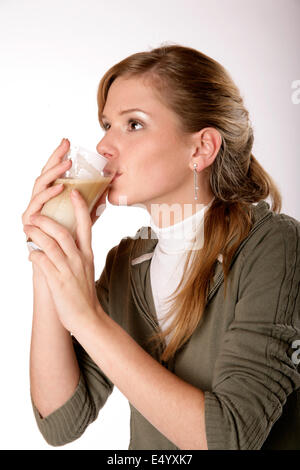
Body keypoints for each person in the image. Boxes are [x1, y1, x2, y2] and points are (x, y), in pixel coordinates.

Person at [22, 44, 300, 450]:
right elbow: (61, 421)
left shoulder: (274, 245)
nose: (104, 147)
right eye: (106, 125)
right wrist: (49, 248)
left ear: (201, 148)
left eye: (133, 124)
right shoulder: (127, 263)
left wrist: (88, 319)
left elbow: (232, 438)